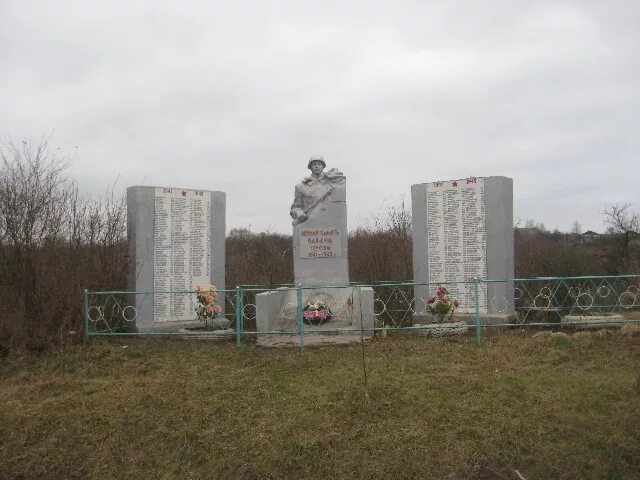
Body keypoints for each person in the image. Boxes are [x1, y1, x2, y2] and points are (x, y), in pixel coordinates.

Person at [290, 155, 345, 225]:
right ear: (310, 167)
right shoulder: (301, 187)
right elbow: (295, 208)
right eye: (314, 164)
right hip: (310, 223)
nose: (317, 166)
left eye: (319, 164)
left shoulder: (333, 182)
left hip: (330, 223)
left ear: (323, 166)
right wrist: (298, 213)